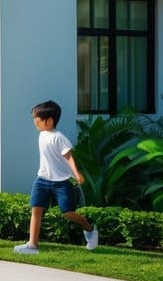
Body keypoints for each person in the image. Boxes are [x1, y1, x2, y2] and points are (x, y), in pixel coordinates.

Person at [14, 100, 99, 255]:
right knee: (36, 210)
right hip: (42, 179)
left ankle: (89, 228)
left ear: (49, 120)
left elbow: (69, 157)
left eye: (38, 119)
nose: (35, 122)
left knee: (67, 212)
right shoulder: (42, 135)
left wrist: (76, 173)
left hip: (61, 182)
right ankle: (32, 245)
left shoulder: (59, 137)